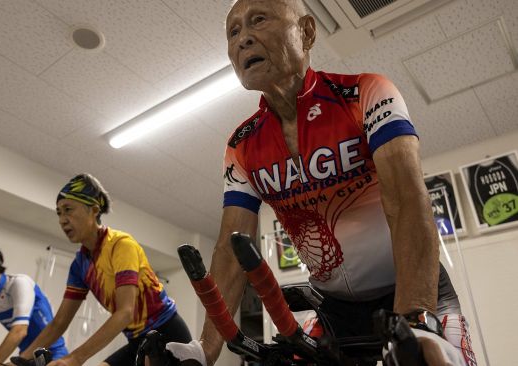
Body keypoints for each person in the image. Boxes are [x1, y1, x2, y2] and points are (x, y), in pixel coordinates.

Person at [164, 1, 477, 365]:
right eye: (233, 33)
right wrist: (206, 347)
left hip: (415, 291)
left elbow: (407, 199)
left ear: (307, 31)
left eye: (258, 20)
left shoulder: (367, 92)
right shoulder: (241, 145)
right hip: (334, 308)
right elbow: (233, 249)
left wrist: (413, 320)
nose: (243, 39)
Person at [18, 173, 192, 366]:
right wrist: (19, 360)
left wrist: (74, 358)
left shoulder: (121, 245)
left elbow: (125, 312)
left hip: (168, 333)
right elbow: (59, 322)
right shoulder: (80, 264)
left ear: (93, 210)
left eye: (68, 209)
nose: (62, 220)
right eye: (59, 213)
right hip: (137, 341)